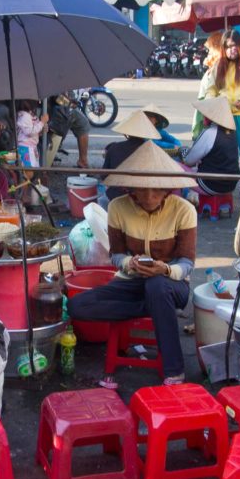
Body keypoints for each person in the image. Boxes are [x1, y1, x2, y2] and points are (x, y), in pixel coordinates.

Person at [67, 141, 197, 389]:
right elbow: (116, 255)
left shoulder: (184, 210)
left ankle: (174, 370)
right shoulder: (117, 207)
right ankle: (154, 308)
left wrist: (165, 269)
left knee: (158, 286)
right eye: (142, 189)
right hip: (132, 282)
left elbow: (187, 262)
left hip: (172, 286)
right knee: (76, 306)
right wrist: (131, 263)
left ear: (169, 189)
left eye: (157, 190)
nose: (149, 197)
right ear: (130, 188)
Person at [200, 30, 240, 166]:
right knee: (223, 154)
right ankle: (228, 184)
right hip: (223, 115)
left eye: (234, 46)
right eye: (227, 47)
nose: (231, 50)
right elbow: (211, 89)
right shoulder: (218, 64)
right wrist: (211, 104)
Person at [182, 97, 240, 195]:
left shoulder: (210, 132)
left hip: (211, 185)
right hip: (231, 184)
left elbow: (189, 161)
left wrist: (182, 151)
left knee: (175, 169)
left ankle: (178, 205)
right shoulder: (232, 133)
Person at [102, 109, 160, 201]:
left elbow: (104, 176)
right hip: (141, 197)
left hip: (115, 195)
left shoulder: (113, 147)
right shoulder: (151, 151)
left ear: (127, 132)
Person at [45, 93, 90, 169]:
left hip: (59, 106)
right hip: (52, 107)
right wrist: (70, 104)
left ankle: (83, 161)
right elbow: (55, 96)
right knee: (80, 122)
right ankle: (48, 157)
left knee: (81, 122)